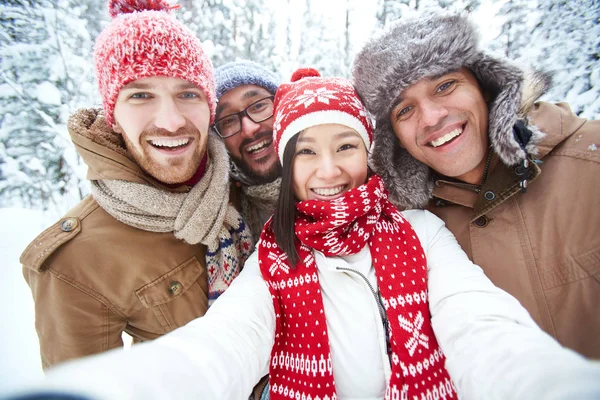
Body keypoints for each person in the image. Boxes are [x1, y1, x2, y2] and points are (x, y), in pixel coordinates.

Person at [13, 69, 600, 400]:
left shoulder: (420, 230)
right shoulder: (273, 253)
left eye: (346, 146)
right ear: (288, 168)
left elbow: (476, 321)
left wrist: (550, 384)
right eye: (307, 153)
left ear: (369, 156)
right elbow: (224, 343)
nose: (328, 170)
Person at [19, 0, 252, 370]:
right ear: (112, 115)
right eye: (140, 95)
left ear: (209, 104)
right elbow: (88, 391)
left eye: (188, 93)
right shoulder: (76, 262)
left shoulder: (239, 175)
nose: (172, 121)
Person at [352, 12, 600, 358]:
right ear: (394, 139)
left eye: (444, 85)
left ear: (484, 85)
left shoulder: (591, 163)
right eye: (404, 111)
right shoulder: (410, 226)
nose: (432, 117)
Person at [213, 61, 282, 243]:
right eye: (228, 120)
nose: (249, 128)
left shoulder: (340, 177)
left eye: (258, 106)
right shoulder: (220, 213)